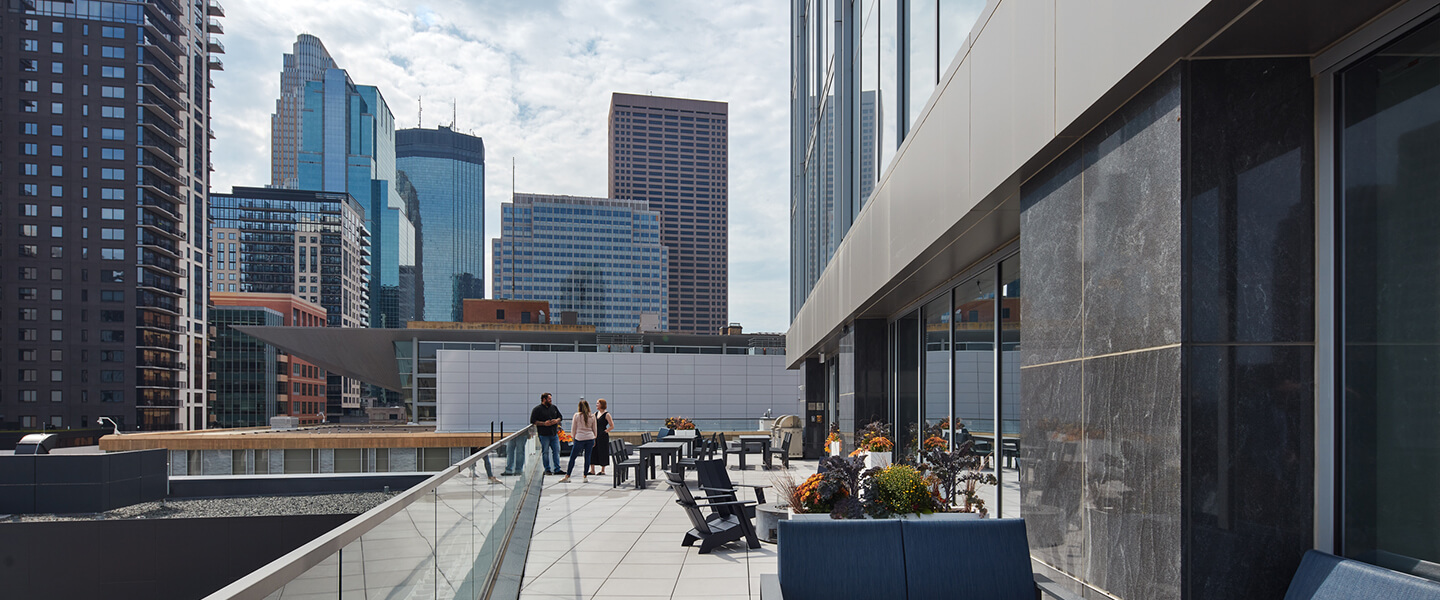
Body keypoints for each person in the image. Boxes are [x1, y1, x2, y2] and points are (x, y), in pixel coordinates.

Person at [560, 400, 598, 483]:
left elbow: (573, 428)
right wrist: (594, 438)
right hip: (590, 438)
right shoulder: (592, 416)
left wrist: (573, 437)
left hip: (579, 439)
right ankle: (585, 476)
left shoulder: (576, 415)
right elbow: (595, 429)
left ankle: (568, 476)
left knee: (573, 457)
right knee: (587, 457)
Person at [530, 392, 563, 474]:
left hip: (554, 434)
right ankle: (547, 469)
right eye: (549, 399)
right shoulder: (537, 409)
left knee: (556, 451)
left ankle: (557, 469)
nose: (551, 400)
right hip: (544, 434)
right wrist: (544, 423)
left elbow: (560, 417)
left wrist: (556, 421)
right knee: (545, 452)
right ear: (544, 399)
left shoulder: (554, 407)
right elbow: (533, 421)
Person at [589, 398, 614, 476]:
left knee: (603, 451)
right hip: (595, 435)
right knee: (592, 451)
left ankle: (602, 470)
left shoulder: (607, 414)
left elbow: (612, 425)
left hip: (602, 436)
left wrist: (605, 432)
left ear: (602, 404)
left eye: (598, 403)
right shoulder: (595, 414)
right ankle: (592, 470)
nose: (596, 405)